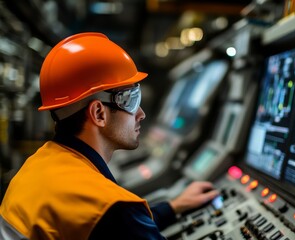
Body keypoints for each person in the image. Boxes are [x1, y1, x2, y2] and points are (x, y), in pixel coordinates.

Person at [0, 32, 219, 240]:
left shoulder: (37, 165)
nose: (141, 114)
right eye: (131, 99)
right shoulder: (110, 209)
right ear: (98, 113)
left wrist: (173, 207)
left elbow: (115, 229)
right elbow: (118, 222)